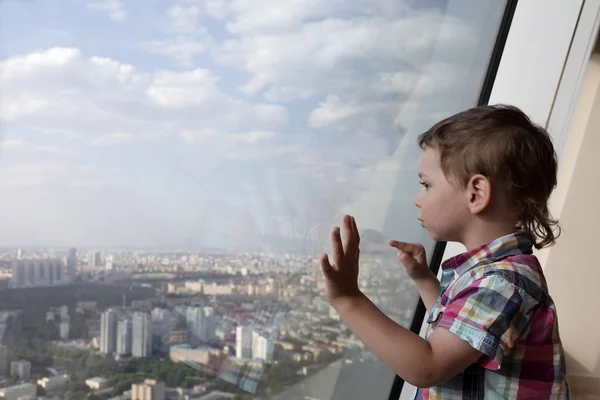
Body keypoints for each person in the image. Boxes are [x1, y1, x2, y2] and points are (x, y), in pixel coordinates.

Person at [320, 104, 570, 399]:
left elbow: (428, 366)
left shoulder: (502, 282)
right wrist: (424, 279)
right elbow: (456, 331)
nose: (417, 198)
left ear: (475, 193)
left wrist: (349, 299)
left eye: (426, 185)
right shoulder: (492, 274)